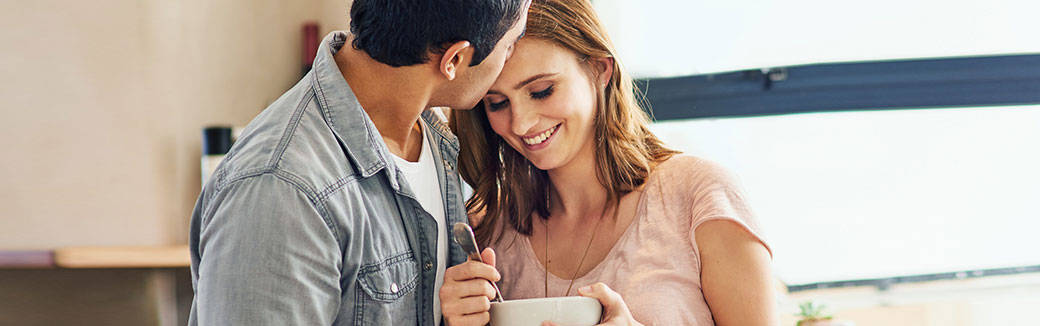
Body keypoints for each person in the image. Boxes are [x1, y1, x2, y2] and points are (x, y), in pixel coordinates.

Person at [188, 0, 530, 325]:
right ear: (454, 59)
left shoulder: (435, 139)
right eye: (511, 44)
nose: (510, 57)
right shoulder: (281, 189)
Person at [441, 0, 777, 325]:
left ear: (600, 69)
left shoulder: (698, 196)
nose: (520, 124)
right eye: (497, 103)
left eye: (542, 90)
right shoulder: (490, 231)